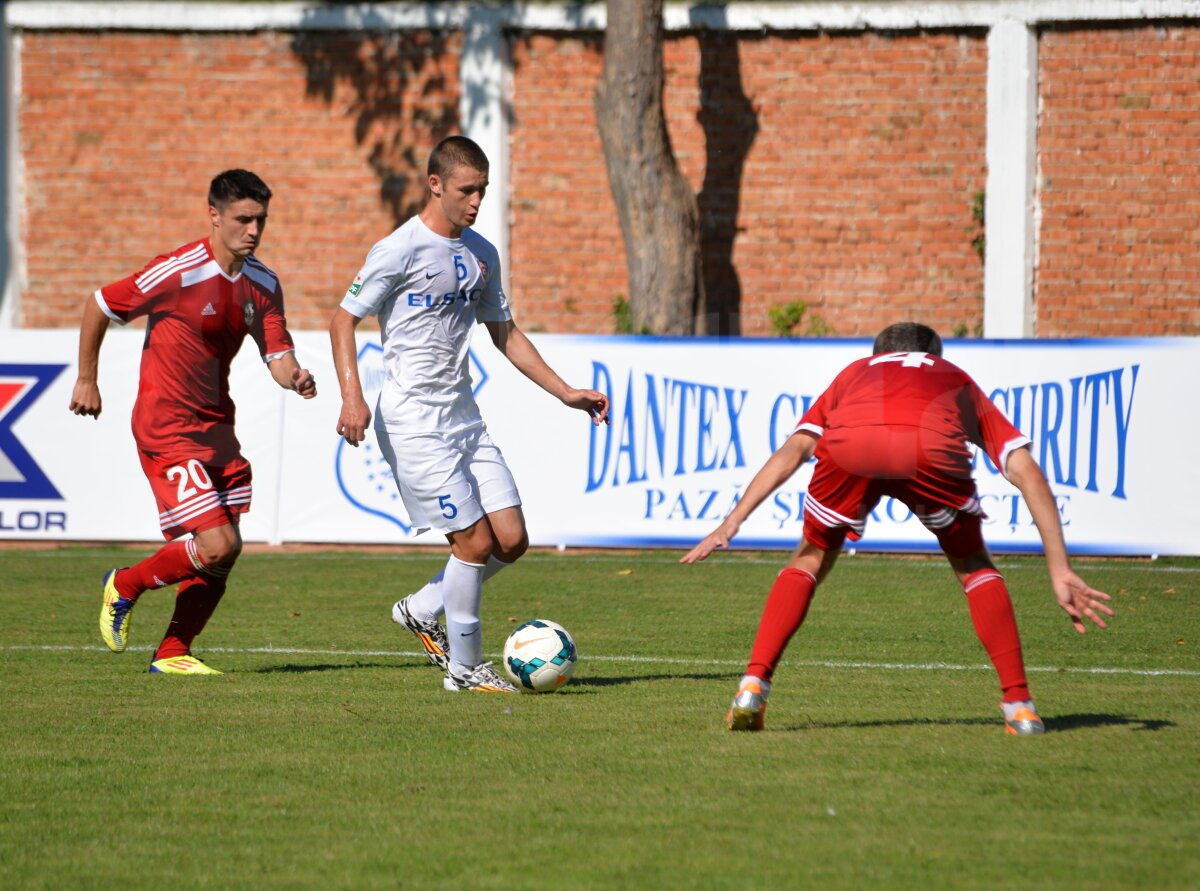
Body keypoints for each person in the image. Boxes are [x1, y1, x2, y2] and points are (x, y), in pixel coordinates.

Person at [682, 322, 1113, 734]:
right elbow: (1026, 472)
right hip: (930, 449)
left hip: (852, 450)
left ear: (878, 356)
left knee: (810, 557)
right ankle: (1019, 707)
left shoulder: (853, 373)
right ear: (934, 356)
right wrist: (1058, 567)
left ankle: (753, 687)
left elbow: (795, 449)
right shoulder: (952, 375)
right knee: (974, 564)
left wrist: (730, 523)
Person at [329, 135, 610, 694]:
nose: (476, 200)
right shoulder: (399, 249)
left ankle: (422, 607)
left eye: (482, 189)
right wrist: (352, 396)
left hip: (463, 418)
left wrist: (564, 392)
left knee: (511, 539)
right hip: (412, 420)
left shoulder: (483, 254)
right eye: (467, 190)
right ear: (435, 185)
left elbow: (503, 331)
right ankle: (465, 669)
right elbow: (343, 320)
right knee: (474, 544)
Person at [70, 169, 317, 675]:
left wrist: (295, 377)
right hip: (166, 424)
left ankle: (173, 652)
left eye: (260, 220)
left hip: (217, 427)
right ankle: (126, 584)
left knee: (227, 551)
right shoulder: (179, 271)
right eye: (242, 219)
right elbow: (100, 304)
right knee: (216, 542)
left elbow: (277, 353)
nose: (253, 230)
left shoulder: (263, 284)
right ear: (214, 215)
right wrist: (87, 378)